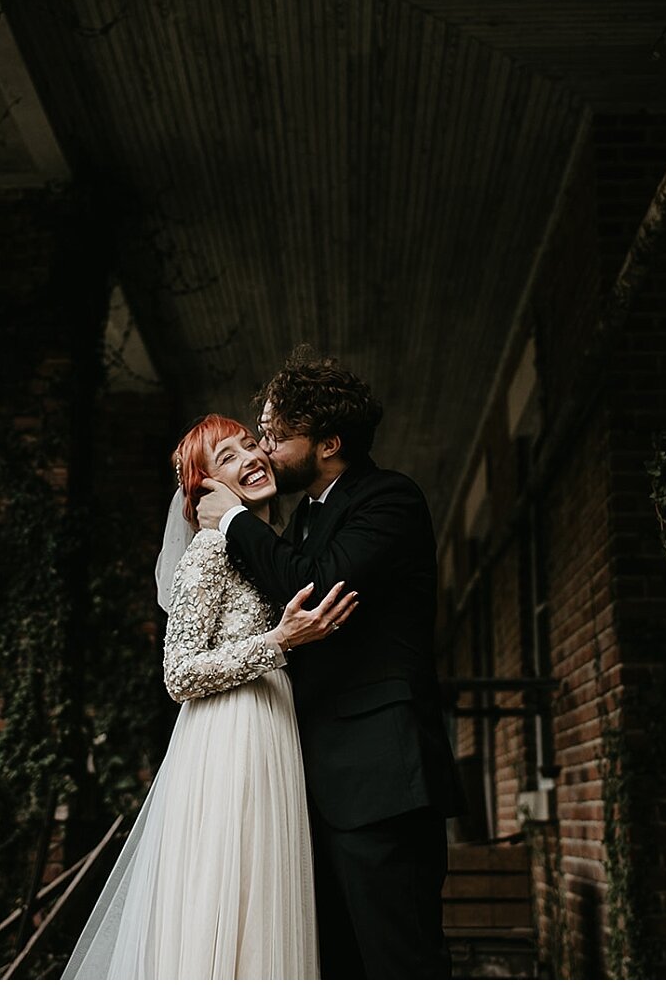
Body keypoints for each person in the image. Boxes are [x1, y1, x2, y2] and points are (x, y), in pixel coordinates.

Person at [196, 349, 464, 979]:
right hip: (314, 785)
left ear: (328, 443)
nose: (263, 449)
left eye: (276, 436)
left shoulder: (388, 500)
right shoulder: (309, 517)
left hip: (381, 782)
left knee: (401, 962)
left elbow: (312, 590)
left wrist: (234, 521)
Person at [62, 414, 356, 980]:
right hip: (227, 740)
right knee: (225, 893)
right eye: (226, 457)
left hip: (275, 733)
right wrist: (276, 640)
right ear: (205, 486)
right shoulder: (207, 553)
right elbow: (179, 674)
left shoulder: (271, 549)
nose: (250, 457)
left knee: (268, 895)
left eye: (251, 444)